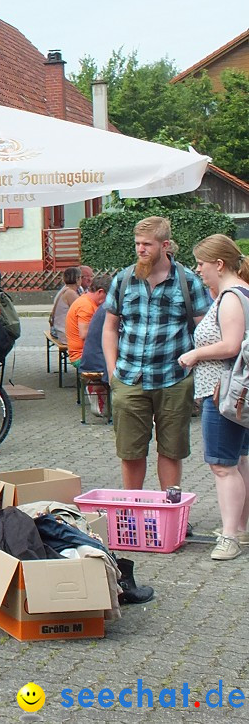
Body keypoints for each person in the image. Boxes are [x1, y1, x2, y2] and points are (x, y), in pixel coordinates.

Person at [102, 216, 211, 490]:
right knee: (131, 452)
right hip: (129, 378)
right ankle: (131, 512)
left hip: (173, 379)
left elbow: (206, 332)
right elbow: (110, 328)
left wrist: (198, 369)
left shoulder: (188, 282)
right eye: (137, 243)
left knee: (172, 451)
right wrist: (113, 371)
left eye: (147, 244)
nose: (140, 249)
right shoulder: (124, 279)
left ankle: (170, 512)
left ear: (165, 245)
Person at [176, 235, 249, 560]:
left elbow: (231, 345)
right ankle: (241, 529)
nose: (198, 270)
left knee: (222, 466)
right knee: (240, 460)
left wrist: (195, 354)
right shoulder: (239, 292)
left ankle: (230, 536)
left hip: (222, 393)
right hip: (234, 394)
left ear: (219, 264)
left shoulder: (232, 297)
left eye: (202, 264)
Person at [65, 273, 112, 365]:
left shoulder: (86, 300)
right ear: (100, 292)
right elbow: (84, 334)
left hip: (87, 353)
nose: (110, 300)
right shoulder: (85, 306)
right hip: (83, 356)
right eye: (109, 296)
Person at [48, 267, 81, 342]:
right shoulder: (70, 293)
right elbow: (82, 309)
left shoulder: (64, 290)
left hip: (59, 330)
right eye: (80, 277)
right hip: (65, 333)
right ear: (77, 279)